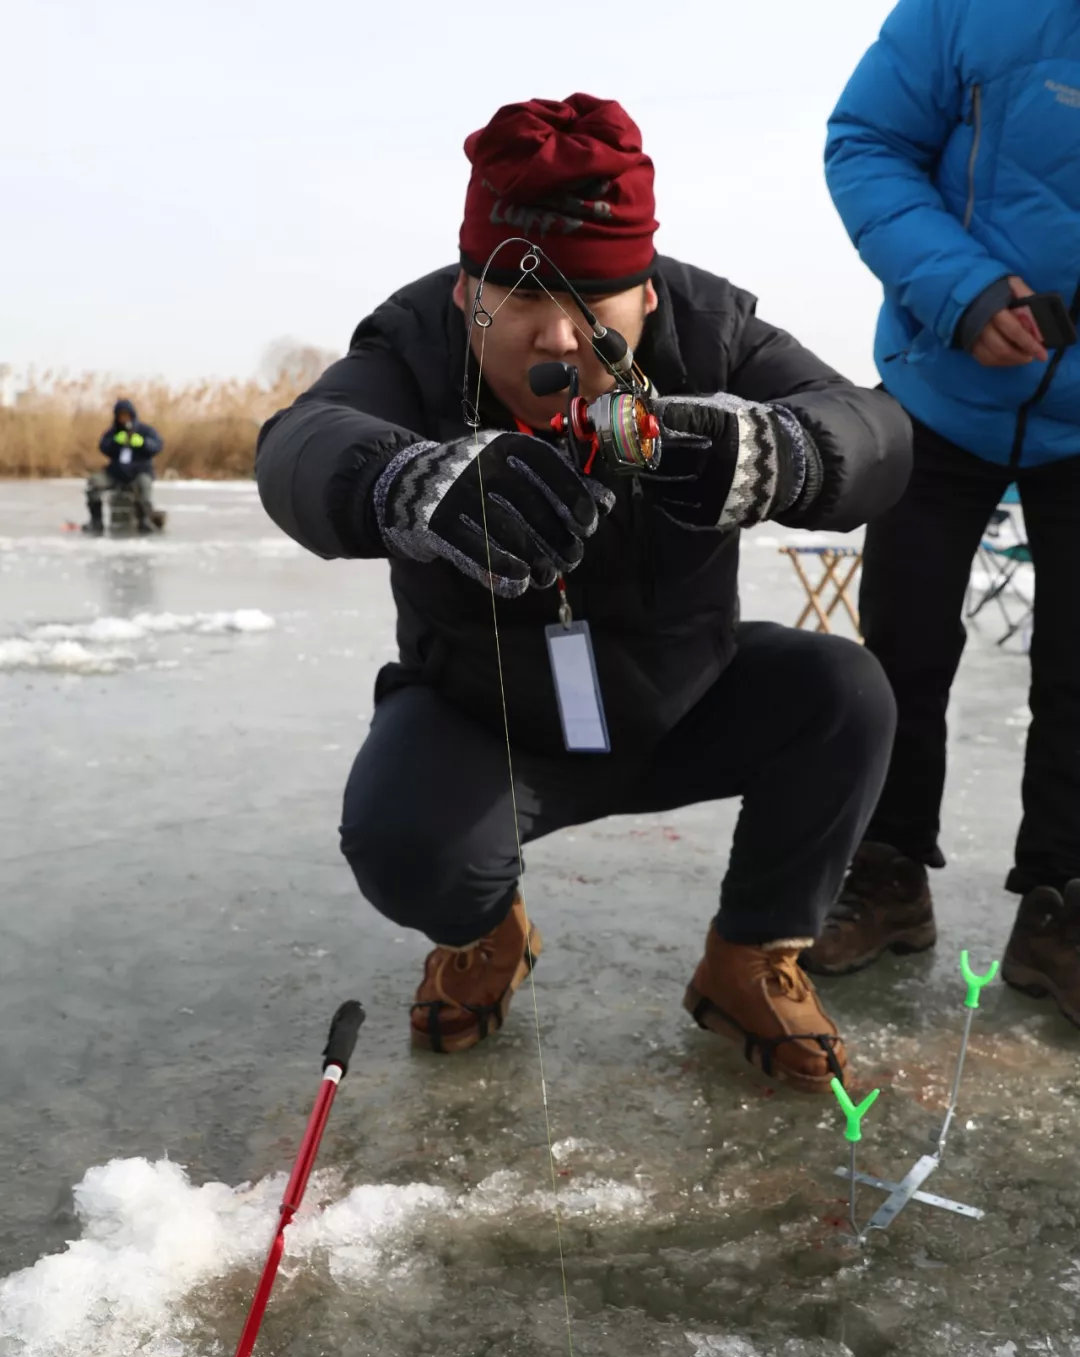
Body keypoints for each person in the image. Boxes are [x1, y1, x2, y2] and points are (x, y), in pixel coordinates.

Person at [257, 94, 912, 1093]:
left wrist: (791, 454)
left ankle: (749, 957)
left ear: (647, 294)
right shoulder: (411, 343)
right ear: (466, 296)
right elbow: (299, 446)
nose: (558, 338)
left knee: (844, 693)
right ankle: (486, 935)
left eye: (593, 303)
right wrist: (401, 480)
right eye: (519, 301)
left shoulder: (713, 329)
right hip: (490, 720)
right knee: (403, 839)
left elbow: (875, 429)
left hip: (685, 698)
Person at [812, 1, 1080, 1028]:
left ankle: (1063, 902)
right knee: (902, 645)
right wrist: (962, 291)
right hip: (942, 387)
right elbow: (866, 141)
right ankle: (886, 872)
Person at [85, 398, 164, 535]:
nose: (124, 418)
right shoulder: (113, 432)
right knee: (94, 483)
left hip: (139, 472)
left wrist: (143, 443)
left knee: (144, 486)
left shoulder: (145, 431)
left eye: (126, 415)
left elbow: (157, 446)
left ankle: (144, 520)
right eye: (121, 415)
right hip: (115, 473)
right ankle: (96, 521)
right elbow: (103, 446)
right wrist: (115, 442)